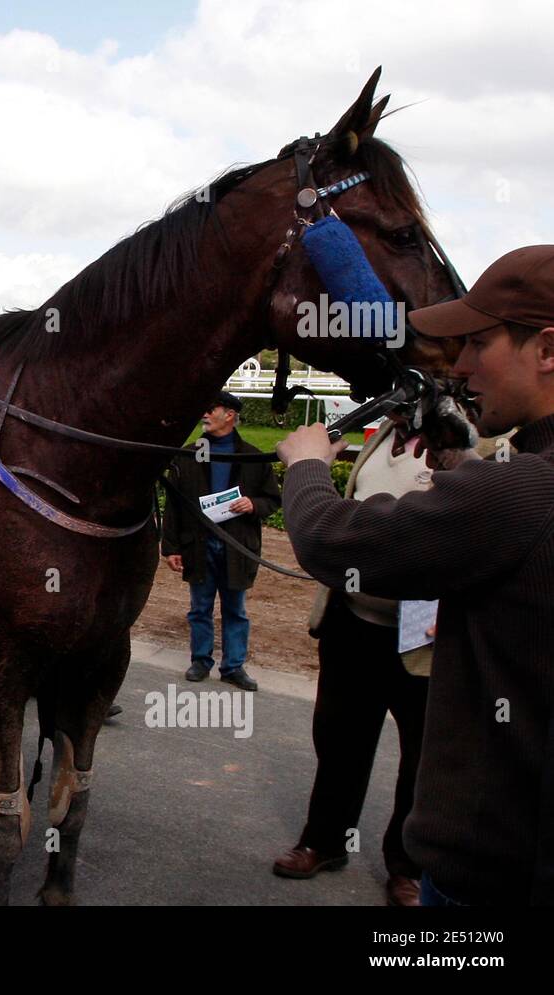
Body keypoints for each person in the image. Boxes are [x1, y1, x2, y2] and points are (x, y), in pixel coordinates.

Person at [278, 244, 554, 906]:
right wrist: (464, 467)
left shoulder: (518, 488)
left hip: (490, 874)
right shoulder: (513, 486)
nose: (458, 367)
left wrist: (308, 465)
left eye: (477, 343)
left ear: (546, 348)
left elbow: (328, 538)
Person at [273, 416, 434, 905]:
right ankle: (325, 841)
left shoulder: (478, 442)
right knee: (340, 740)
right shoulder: (383, 432)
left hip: (421, 628)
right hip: (352, 616)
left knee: (422, 758)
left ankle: (409, 868)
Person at [160, 389, 281, 692]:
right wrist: (170, 548)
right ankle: (201, 660)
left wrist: (253, 505)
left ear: (229, 415)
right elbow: (173, 505)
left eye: (210, 409)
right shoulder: (187, 455)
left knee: (235, 609)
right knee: (199, 608)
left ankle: (233, 667)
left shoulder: (254, 457)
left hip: (236, 545)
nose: (204, 414)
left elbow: (272, 500)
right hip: (198, 544)